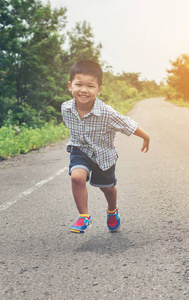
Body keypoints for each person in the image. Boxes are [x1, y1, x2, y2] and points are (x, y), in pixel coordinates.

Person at [61, 60, 150, 234]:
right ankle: (84, 216)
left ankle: (112, 210)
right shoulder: (66, 108)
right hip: (81, 151)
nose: (84, 90)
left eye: (90, 86)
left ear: (99, 90)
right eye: (79, 84)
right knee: (76, 177)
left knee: (107, 188)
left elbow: (127, 124)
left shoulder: (107, 113)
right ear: (70, 86)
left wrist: (146, 136)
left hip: (104, 155)